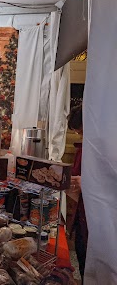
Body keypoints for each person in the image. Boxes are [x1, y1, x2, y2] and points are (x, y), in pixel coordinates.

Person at [67, 104, 87, 282]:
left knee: (88, 256)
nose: (79, 135)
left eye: (81, 131)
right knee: (81, 253)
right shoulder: (83, 148)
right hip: (82, 212)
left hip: (92, 216)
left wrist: (86, 183)